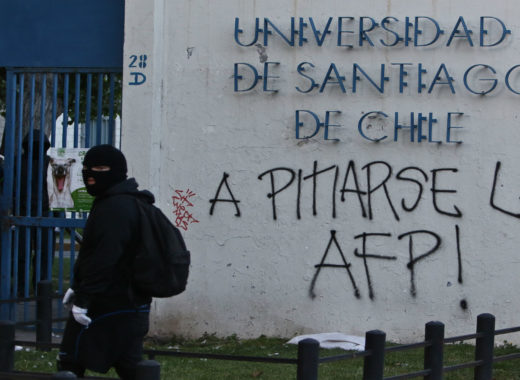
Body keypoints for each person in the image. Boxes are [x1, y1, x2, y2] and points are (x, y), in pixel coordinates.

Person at [57, 145, 153, 379]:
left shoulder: (115, 207)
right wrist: (77, 287)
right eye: (87, 168)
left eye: (100, 168)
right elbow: (95, 253)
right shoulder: (121, 201)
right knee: (129, 365)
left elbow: (105, 257)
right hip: (123, 301)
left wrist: (84, 298)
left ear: (117, 170)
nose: (91, 174)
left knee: (71, 360)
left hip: (110, 302)